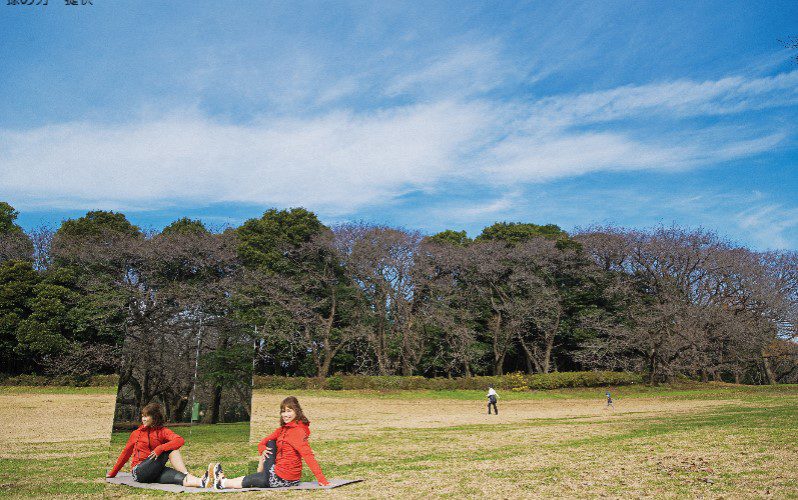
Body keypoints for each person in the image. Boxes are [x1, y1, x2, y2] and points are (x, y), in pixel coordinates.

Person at [211, 396, 330, 489]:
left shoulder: (298, 432)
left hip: (286, 478)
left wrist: (321, 479)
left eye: (289, 411)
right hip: (278, 471)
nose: (285, 415)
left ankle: (222, 482)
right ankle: (223, 481)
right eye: (283, 411)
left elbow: (308, 456)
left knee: (262, 478)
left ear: (296, 412)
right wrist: (263, 449)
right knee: (270, 442)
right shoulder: (282, 430)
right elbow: (261, 443)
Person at [107, 402, 208, 487]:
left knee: (180, 478)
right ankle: (188, 474)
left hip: (154, 471)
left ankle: (201, 481)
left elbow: (180, 440)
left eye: (146, 416)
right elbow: (125, 454)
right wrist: (113, 473)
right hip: (139, 472)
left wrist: (160, 447)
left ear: (154, 417)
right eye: (142, 416)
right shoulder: (136, 433)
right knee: (170, 449)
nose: (143, 419)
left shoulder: (162, 431)